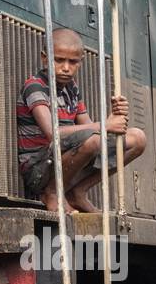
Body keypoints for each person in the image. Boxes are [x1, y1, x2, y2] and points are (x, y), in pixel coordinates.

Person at [17, 27, 147, 213]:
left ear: (81, 62)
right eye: (59, 60)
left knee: (137, 138)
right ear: (44, 58)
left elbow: (89, 128)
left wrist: (114, 118)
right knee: (93, 139)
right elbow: (53, 133)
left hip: (63, 162)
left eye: (73, 62)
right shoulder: (35, 87)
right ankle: (52, 193)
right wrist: (104, 125)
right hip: (38, 169)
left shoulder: (71, 87)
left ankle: (78, 191)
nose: (66, 68)